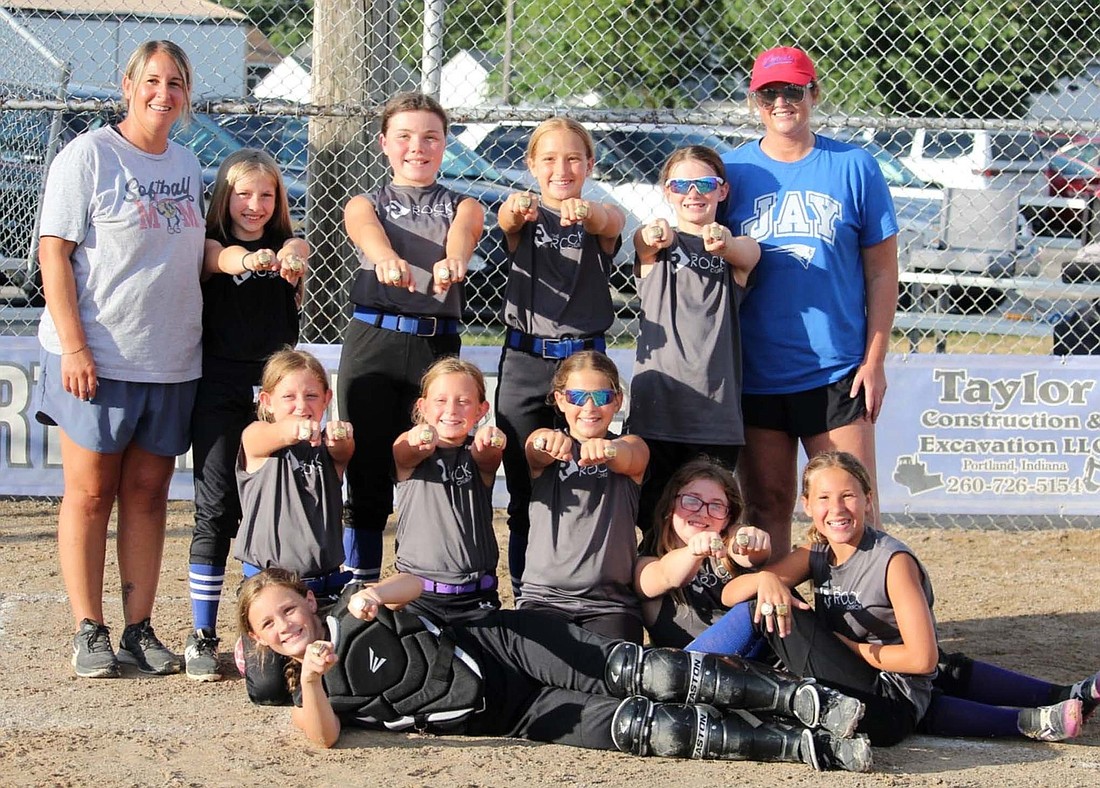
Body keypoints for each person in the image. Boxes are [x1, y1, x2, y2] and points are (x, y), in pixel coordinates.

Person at [236, 567, 873, 771]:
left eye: (288, 609)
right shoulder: (307, 684)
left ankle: (803, 700)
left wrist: (379, 592)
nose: (285, 625)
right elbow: (321, 735)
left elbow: (413, 581)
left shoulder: (353, 602)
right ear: (261, 641)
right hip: (517, 716)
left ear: (308, 600)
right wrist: (314, 678)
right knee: (653, 731)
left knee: (647, 673)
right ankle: (804, 747)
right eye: (269, 625)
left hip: (505, 646)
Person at [716, 450, 1099, 745]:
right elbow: (734, 595)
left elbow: (922, 658)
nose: (836, 509)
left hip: (888, 704)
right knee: (765, 600)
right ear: (807, 506)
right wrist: (766, 578)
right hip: (869, 692)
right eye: (824, 498)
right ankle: (1046, 709)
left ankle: (1044, 710)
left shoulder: (891, 561)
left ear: (868, 499)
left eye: (848, 495)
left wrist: (851, 647)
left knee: (939, 667)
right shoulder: (815, 552)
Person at [34, 40, 205, 679]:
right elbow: (54, 254)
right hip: (98, 358)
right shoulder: (89, 156)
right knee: (88, 494)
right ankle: (89, 627)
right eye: (153, 80)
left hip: (170, 360)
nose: (164, 94)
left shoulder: (188, 164)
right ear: (128, 86)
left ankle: (137, 628)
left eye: (177, 83)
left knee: (148, 493)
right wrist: (75, 346)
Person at [721, 46, 899, 556]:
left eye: (793, 90)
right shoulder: (732, 171)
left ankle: (866, 620)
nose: (781, 102)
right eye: (769, 93)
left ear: (813, 94)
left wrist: (875, 359)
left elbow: (882, 270)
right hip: (757, 369)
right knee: (767, 503)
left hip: (837, 368)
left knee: (850, 504)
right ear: (755, 101)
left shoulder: (853, 166)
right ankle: (782, 625)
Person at [337, 91, 484, 586]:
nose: (416, 147)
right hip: (374, 342)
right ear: (384, 143)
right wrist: (384, 257)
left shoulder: (462, 204)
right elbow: (364, 229)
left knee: (433, 465)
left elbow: (463, 234)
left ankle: (428, 580)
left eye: (430, 137)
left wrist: (453, 258)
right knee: (368, 471)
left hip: (434, 349)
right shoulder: (367, 202)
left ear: (445, 145)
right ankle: (359, 587)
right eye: (404, 136)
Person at [184, 148, 310, 681]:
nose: (254, 205)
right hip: (220, 392)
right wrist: (249, 259)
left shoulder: (289, 246)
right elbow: (221, 260)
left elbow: (300, 248)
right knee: (216, 511)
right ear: (224, 197)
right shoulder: (211, 243)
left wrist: (289, 256)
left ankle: (265, 629)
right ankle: (201, 636)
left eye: (266, 195)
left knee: (274, 514)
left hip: (273, 397)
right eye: (243, 193)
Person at [494, 118, 626, 593]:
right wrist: (515, 209)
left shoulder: (600, 215)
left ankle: (586, 586)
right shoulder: (523, 213)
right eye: (548, 159)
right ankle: (529, 590)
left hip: (584, 363)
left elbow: (609, 223)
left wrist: (584, 213)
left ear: (590, 164)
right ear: (531, 165)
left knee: (586, 476)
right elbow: (506, 223)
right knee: (527, 489)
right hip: (526, 362)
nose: (561, 168)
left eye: (573, 158)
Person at [629, 146, 760, 551]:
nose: (693, 193)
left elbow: (748, 254)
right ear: (667, 191)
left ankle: (701, 605)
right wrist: (650, 234)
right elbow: (641, 242)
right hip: (658, 414)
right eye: (681, 184)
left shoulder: (736, 250)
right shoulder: (659, 244)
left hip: (714, 415)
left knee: (709, 519)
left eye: (704, 184)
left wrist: (723, 241)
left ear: (722, 191)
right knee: (653, 517)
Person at [233, 348, 354, 704]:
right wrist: (296, 427)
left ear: (327, 399)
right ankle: (254, 638)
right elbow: (272, 435)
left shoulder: (328, 450)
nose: (301, 404)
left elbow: (345, 449)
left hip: (323, 592)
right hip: (271, 591)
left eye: (312, 395)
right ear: (267, 401)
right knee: (269, 692)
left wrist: (340, 438)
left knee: (345, 676)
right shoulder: (258, 438)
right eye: (288, 397)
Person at [519, 351, 648, 643]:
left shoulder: (630, 445)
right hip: (544, 600)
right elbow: (534, 448)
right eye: (577, 397)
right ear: (561, 399)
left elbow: (632, 457)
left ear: (617, 401)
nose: (589, 407)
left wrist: (609, 451)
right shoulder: (551, 446)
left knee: (614, 679)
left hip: (610, 605)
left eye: (601, 397)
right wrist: (545, 442)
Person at [392, 357, 505, 622]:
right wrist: (419, 437)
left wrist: (491, 440)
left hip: (477, 595)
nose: (451, 410)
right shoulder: (411, 452)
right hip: (419, 596)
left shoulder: (476, 454)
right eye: (440, 401)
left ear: (480, 410)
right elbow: (405, 450)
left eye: (463, 401)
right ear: (423, 406)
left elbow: (489, 456)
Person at [633, 457, 770, 654]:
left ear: (727, 518)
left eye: (716, 506)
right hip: (694, 667)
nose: (703, 512)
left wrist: (750, 538)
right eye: (691, 500)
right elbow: (665, 575)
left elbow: (751, 555)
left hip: (751, 662)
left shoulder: (727, 548)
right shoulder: (647, 562)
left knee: (780, 594)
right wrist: (693, 552)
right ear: (670, 507)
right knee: (760, 607)